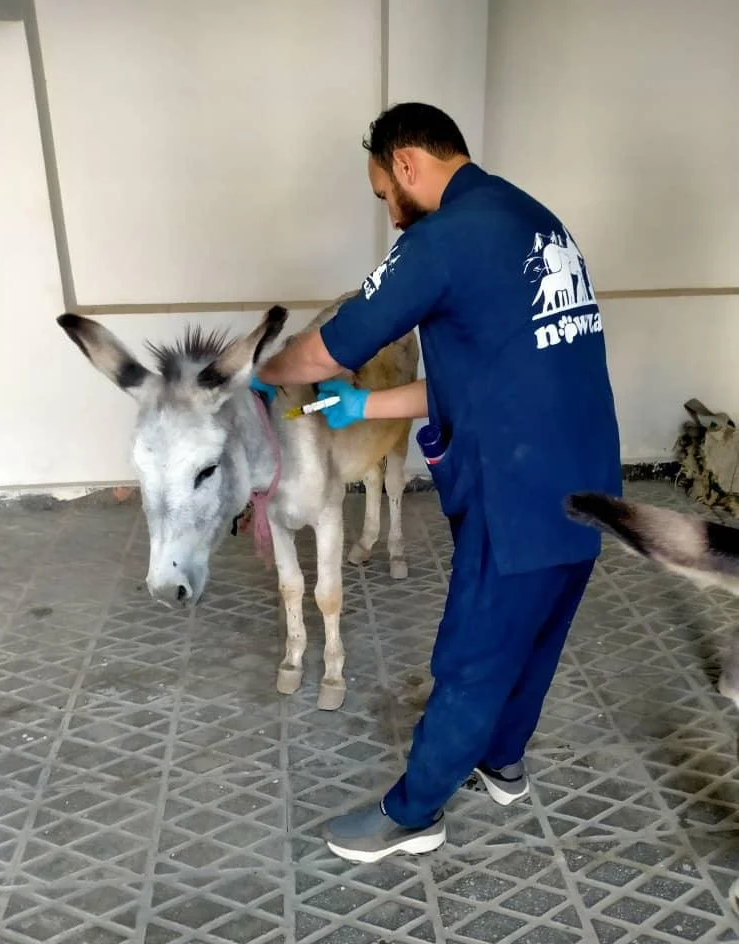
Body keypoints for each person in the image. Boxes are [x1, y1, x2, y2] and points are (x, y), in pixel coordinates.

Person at [255, 102, 621, 863]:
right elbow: (482, 375)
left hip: (516, 492)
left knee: (473, 655)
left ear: (406, 163)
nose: (391, 214)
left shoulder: (442, 237)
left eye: (384, 194)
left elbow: (328, 349)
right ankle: (503, 759)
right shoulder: (534, 221)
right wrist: (365, 406)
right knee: (538, 632)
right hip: (587, 479)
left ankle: (415, 813)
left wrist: (262, 374)